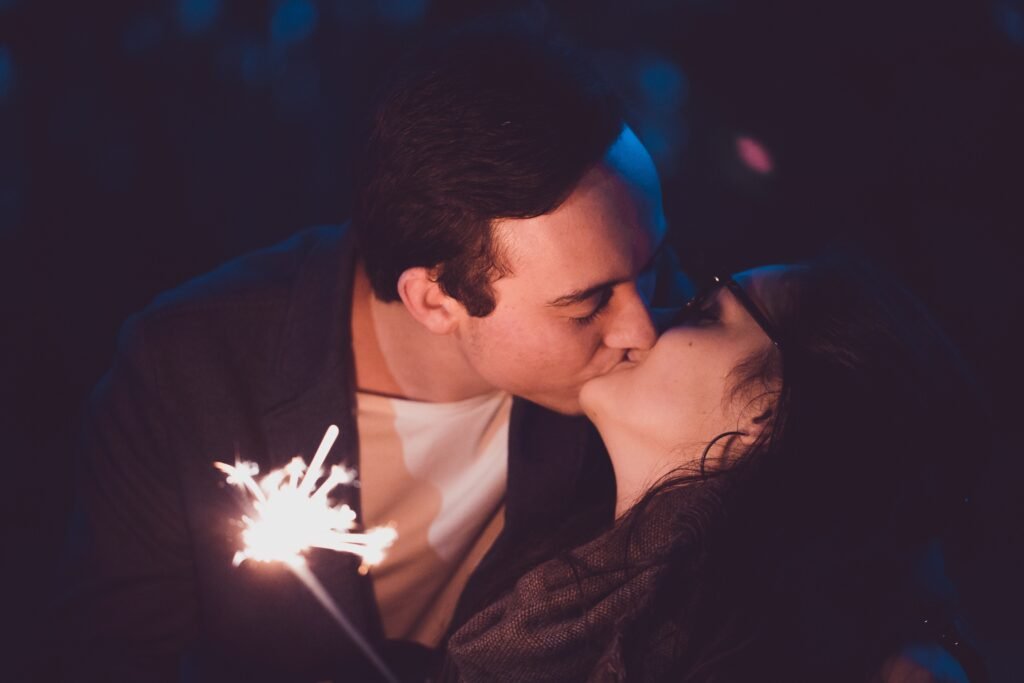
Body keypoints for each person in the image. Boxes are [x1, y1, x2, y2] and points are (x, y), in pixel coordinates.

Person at [52, 29, 689, 681]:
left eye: (652, 266)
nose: (644, 328)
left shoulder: (664, 324)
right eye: (587, 304)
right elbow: (110, 653)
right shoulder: (189, 371)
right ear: (435, 299)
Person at [445, 255, 989, 682]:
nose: (645, 324)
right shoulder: (539, 558)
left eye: (704, 311)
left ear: (769, 410)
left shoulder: (815, 662)